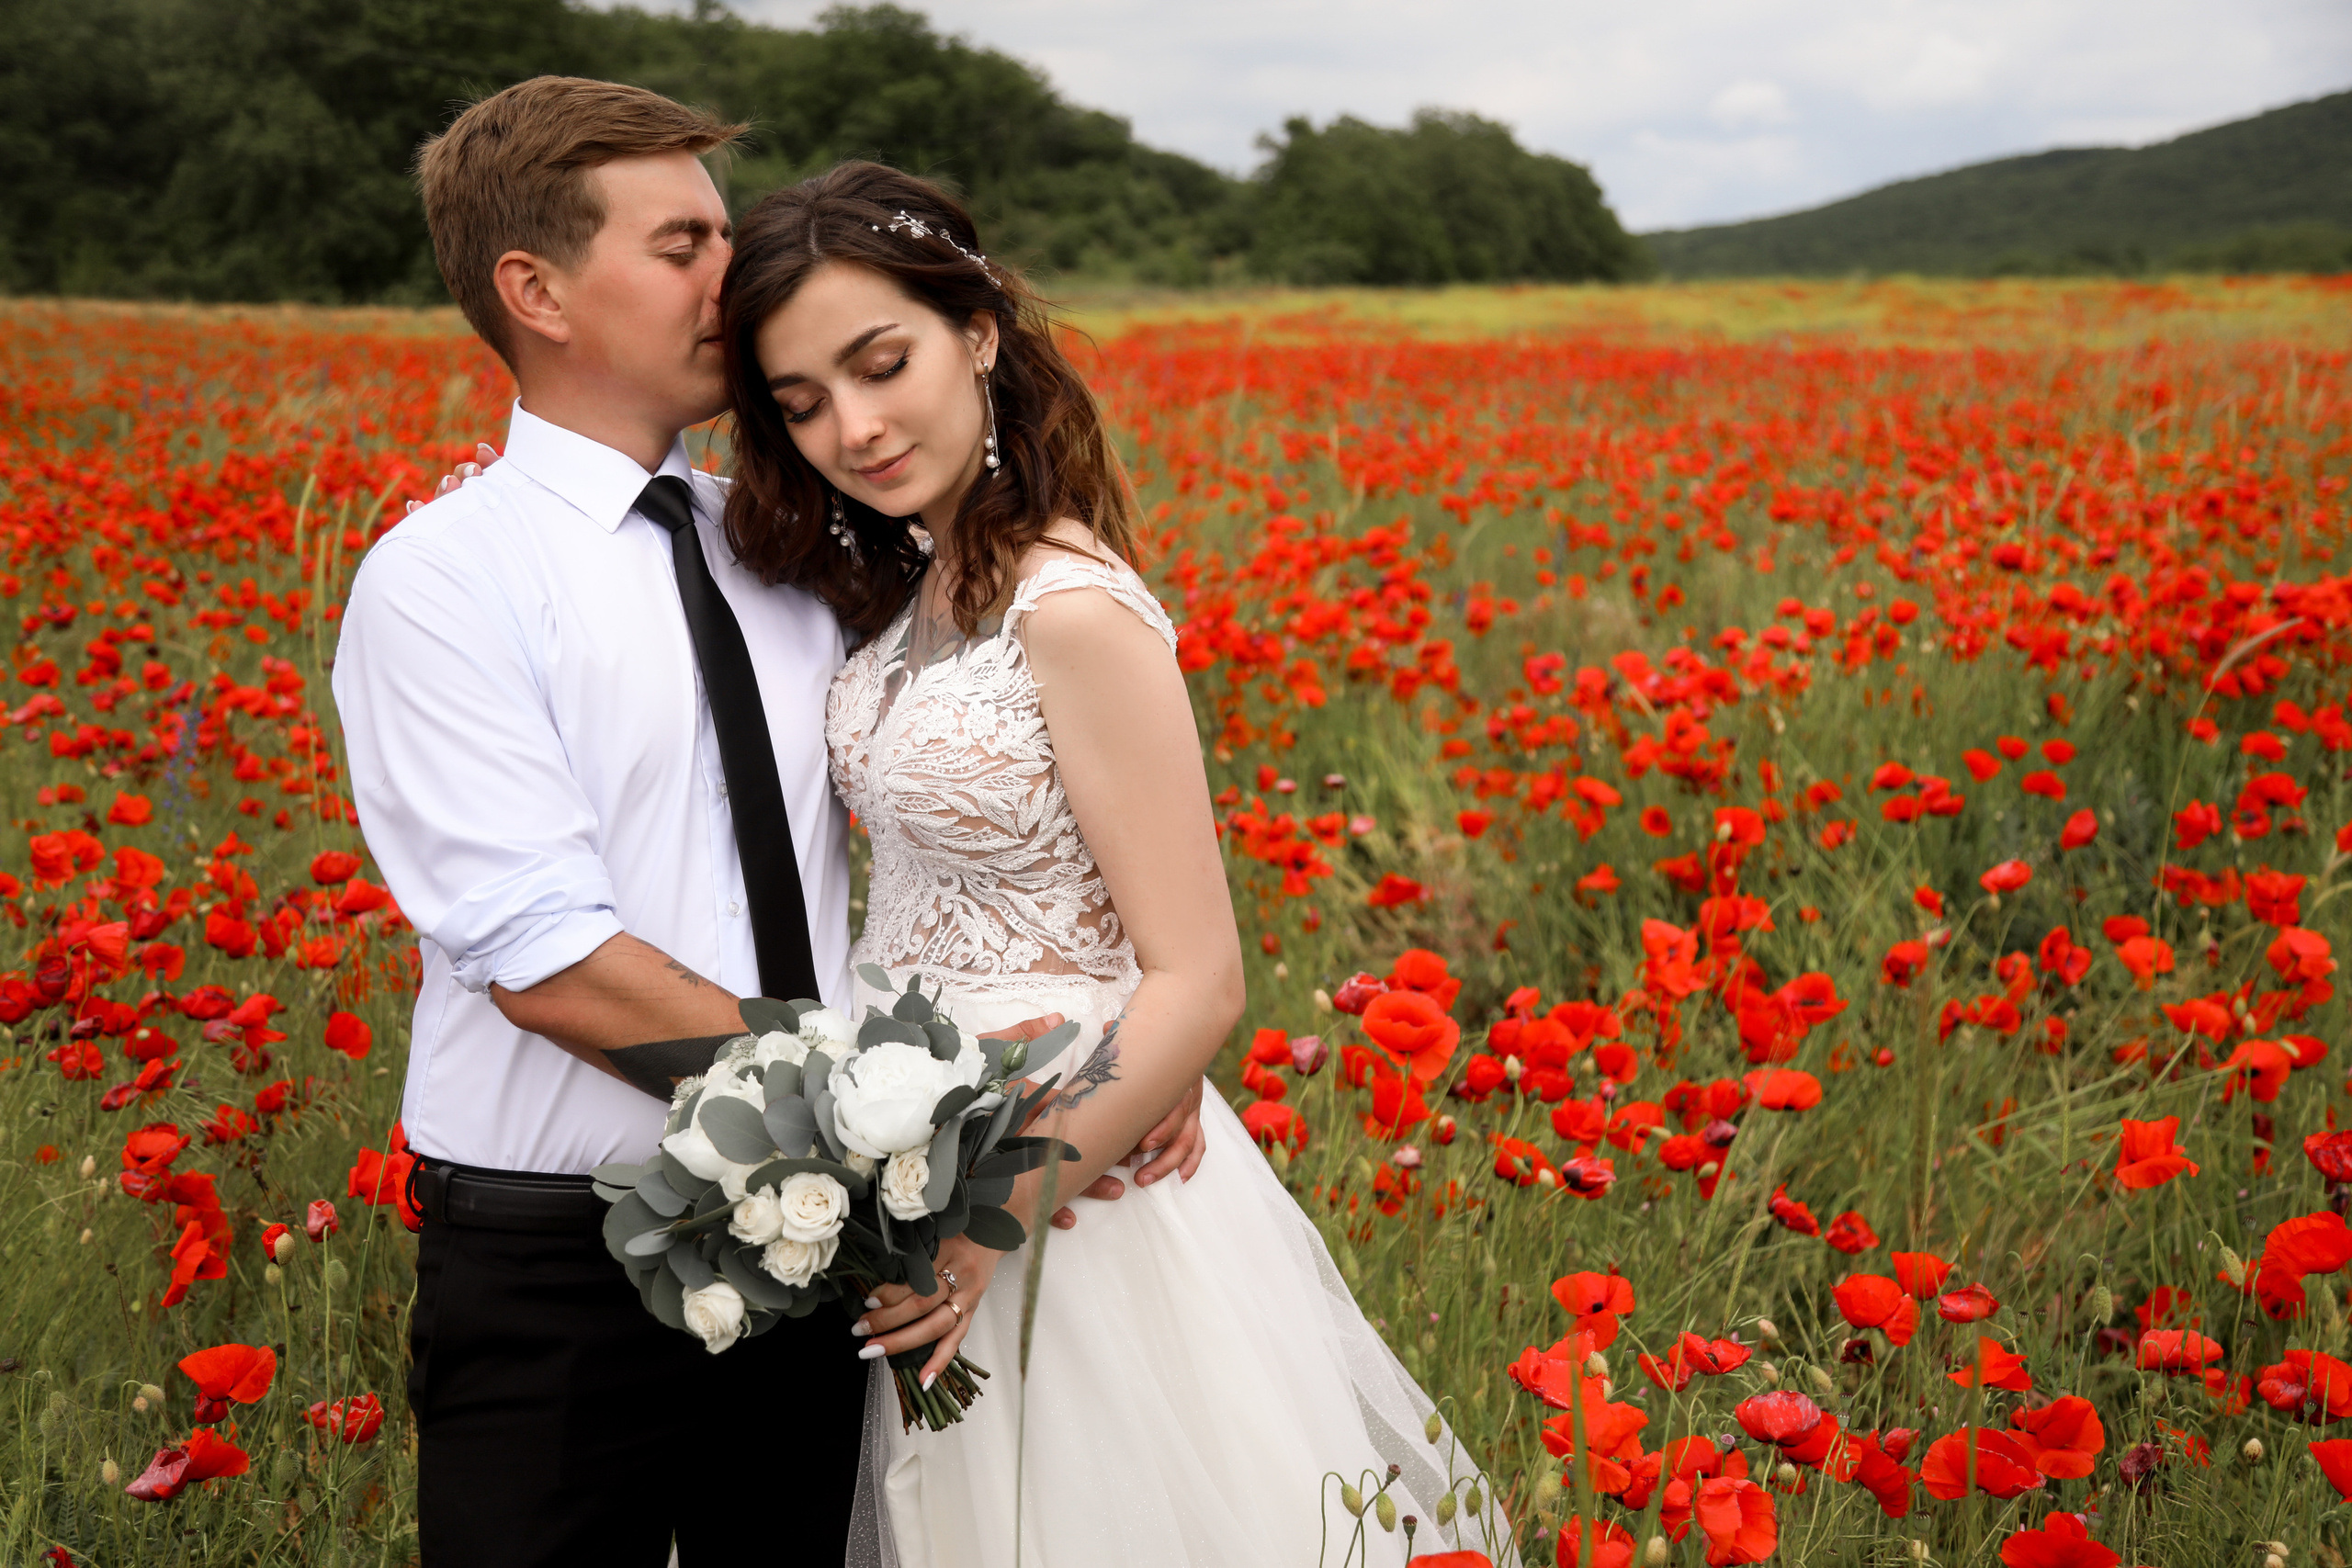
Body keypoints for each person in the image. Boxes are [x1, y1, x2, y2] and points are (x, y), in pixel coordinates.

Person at [337, 79, 1202, 1568]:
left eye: (727, 236)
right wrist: (931, 1123)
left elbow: (1007, 766)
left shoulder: (791, 542)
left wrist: (1108, 1044)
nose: (729, 281)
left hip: (828, 1249)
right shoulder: (444, 581)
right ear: (534, 289)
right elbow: (547, 961)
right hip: (570, 1254)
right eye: (683, 243)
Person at [718, 161, 1511, 1567]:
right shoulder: (907, 593)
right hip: (904, 1148)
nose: (854, 425)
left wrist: (988, 1221)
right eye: (801, 404)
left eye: (881, 362)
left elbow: (1197, 975)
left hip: (1062, 1180)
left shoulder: (1069, 610)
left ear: (977, 333)